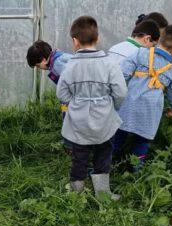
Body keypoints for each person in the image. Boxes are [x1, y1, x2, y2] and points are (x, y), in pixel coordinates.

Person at [56, 16, 127, 200]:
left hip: (79, 122)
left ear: (75, 41)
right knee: (103, 155)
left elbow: (62, 94)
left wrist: (77, 100)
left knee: (79, 157)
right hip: (104, 119)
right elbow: (120, 92)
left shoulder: (70, 65)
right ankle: (103, 194)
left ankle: (76, 194)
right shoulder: (110, 63)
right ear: (98, 38)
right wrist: (112, 106)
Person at [114, 24, 172, 169]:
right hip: (150, 112)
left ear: (159, 39)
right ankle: (135, 170)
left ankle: (104, 164)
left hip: (128, 105)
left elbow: (121, 73)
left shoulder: (140, 53)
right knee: (142, 142)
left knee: (117, 136)